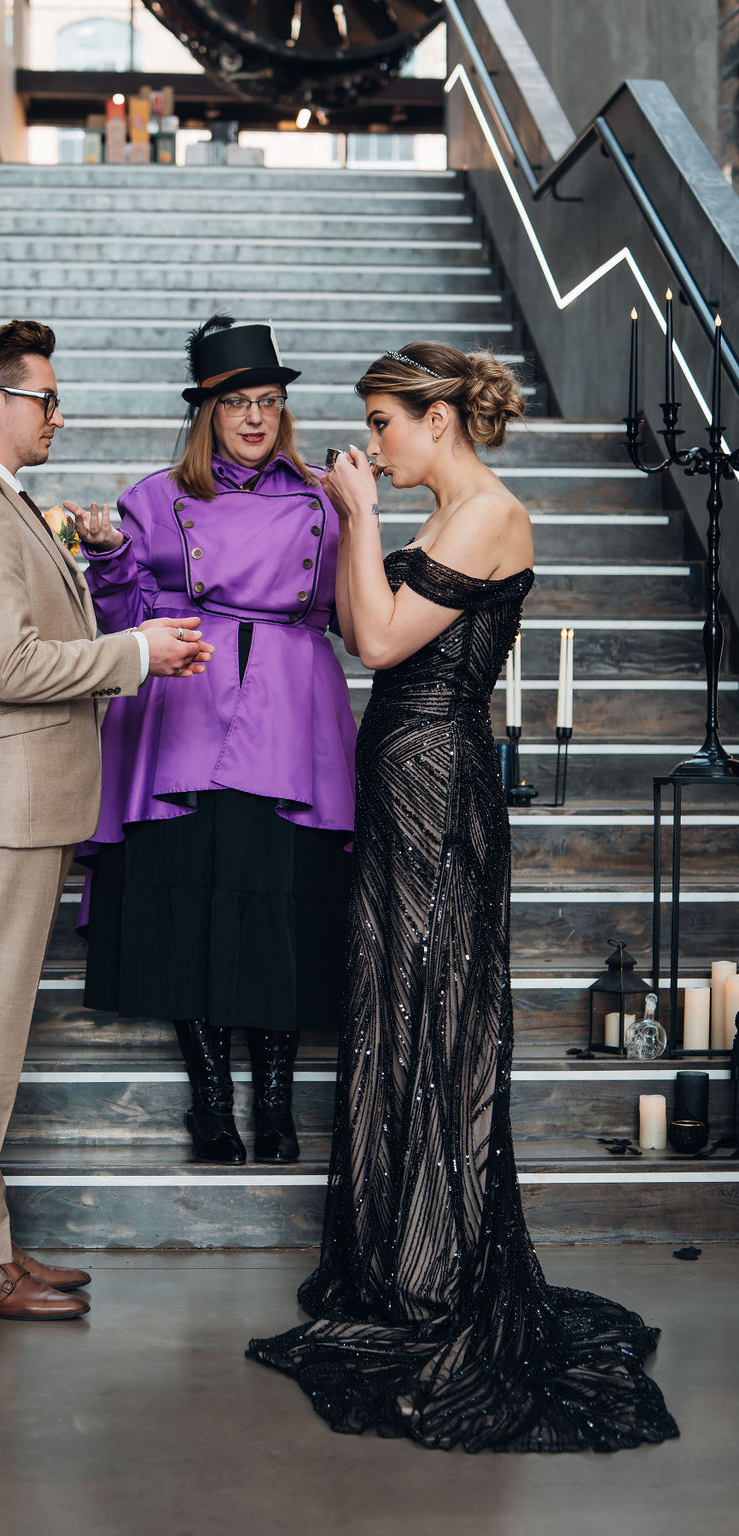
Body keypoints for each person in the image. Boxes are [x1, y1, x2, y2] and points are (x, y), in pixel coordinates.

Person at [247, 344, 679, 1450]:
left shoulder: (487, 513)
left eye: (385, 423)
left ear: (438, 418)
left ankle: (440, 1271)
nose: (375, 445)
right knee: (392, 1009)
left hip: (438, 789)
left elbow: (385, 634)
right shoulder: (446, 516)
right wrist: (355, 524)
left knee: (435, 1012)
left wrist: (349, 515)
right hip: (398, 778)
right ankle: (401, 1258)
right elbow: (359, 633)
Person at [0, 319, 212, 1320]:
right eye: (44, 397)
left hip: (22, 801)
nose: (58, 413)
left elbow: (28, 635)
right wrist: (135, 653)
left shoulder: (2, 505)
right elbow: (9, 667)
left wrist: (78, 566)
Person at [66, 316, 357, 1165]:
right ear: (207, 412)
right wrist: (113, 558)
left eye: (270, 401)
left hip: (292, 717)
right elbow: (117, 625)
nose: (257, 418)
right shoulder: (153, 499)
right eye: (239, 403)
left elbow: (354, 611)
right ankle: (210, 1104)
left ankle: (273, 1104)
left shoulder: (324, 500)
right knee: (188, 904)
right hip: (184, 713)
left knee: (279, 909)